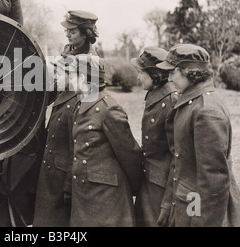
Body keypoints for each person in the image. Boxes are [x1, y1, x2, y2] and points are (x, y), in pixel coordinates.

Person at [157, 44, 240, 227]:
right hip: (189, 204)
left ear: (188, 72)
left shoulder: (206, 110)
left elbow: (213, 181)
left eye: (173, 72)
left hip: (201, 210)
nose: (169, 78)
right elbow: (181, 162)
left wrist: (201, 222)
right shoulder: (190, 102)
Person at [68, 54, 142, 226]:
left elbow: (130, 155)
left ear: (84, 78)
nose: (70, 79)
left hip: (106, 199)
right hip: (85, 194)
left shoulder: (108, 109)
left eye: (73, 75)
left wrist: (135, 188)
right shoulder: (81, 105)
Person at [130, 47, 178, 227]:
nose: (138, 77)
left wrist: (167, 203)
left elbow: (177, 157)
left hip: (161, 188)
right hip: (149, 181)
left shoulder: (171, 101)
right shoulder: (155, 95)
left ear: (154, 74)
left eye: (140, 73)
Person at [33, 56, 77, 227]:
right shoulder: (62, 95)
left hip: (60, 178)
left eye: (60, 72)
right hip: (50, 175)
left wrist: (68, 186)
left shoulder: (76, 102)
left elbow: (76, 149)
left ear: (72, 75)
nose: (56, 76)